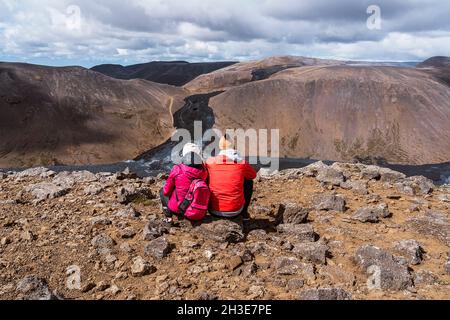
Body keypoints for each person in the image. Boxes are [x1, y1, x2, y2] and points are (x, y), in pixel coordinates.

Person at [206, 135, 257, 219]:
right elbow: (253, 175)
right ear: (233, 146)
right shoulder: (241, 162)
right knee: (248, 181)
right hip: (235, 211)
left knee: (207, 176)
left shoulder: (210, 162)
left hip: (213, 210)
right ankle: (244, 213)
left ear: (220, 147)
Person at [160, 143, 209, 222]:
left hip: (178, 209)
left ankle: (168, 216)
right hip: (198, 209)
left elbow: (166, 191)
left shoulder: (178, 169)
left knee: (162, 191)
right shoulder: (204, 172)